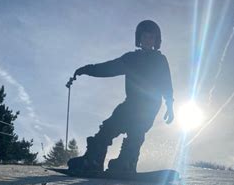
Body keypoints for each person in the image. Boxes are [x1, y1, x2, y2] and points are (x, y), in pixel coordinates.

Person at [67, 20, 174, 174]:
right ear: (139, 38)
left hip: (149, 106)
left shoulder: (160, 60)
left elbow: (167, 84)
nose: (147, 40)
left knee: (136, 131)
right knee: (108, 127)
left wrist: (170, 105)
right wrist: (87, 69)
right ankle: (92, 160)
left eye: (151, 37)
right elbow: (108, 68)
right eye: (145, 36)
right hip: (130, 104)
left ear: (156, 40)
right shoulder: (130, 59)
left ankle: (126, 163)